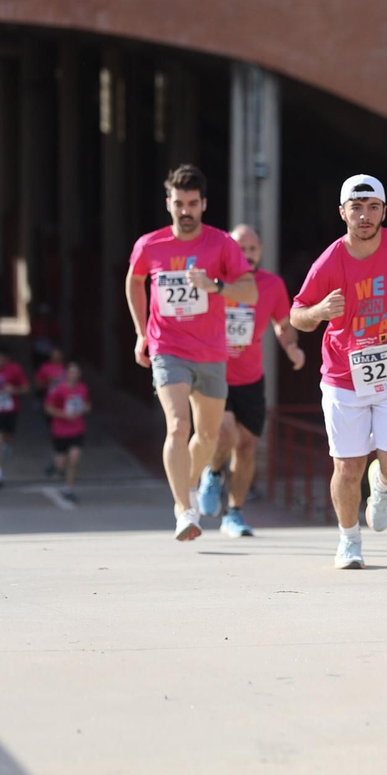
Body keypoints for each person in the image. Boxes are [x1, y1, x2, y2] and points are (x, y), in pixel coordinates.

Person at [291, 175, 387, 570]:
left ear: (384, 212)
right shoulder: (328, 262)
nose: (364, 216)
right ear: (343, 213)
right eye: (356, 208)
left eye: (373, 207)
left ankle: (384, 484)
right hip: (343, 377)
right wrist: (320, 312)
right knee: (346, 465)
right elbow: (297, 314)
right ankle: (348, 540)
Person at [126, 165, 257, 541]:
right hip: (168, 348)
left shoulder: (221, 245)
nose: (185, 210)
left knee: (209, 436)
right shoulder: (150, 245)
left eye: (192, 204)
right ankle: (184, 509)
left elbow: (249, 292)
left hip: (212, 352)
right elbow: (134, 281)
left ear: (203, 205)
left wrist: (214, 286)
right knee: (178, 426)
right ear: (169, 203)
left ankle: (189, 489)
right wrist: (140, 334)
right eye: (179, 203)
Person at [196, 224, 306, 538]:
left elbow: (283, 324)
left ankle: (234, 513)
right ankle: (214, 472)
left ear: (261, 252)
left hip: (251, 378)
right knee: (226, 434)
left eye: (253, 249)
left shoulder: (272, 285)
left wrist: (292, 347)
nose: (247, 255)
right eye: (240, 249)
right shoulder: (213, 282)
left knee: (246, 448)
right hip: (215, 374)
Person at [43, 361, 89, 503]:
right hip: (60, 430)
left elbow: (87, 404)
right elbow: (48, 408)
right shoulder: (58, 389)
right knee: (61, 465)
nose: (74, 375)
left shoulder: (82, 388)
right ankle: (55, 464)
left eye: (77, 372)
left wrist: (84, 409)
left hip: (77, 428)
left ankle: (68, 489)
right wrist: (63, 414)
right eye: (71, 372)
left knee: (74, 459)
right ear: (66, 374)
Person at [0, 343, 30, 490]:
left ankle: (6, 446)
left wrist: (14, 389)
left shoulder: (15, 369)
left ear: (7, 359)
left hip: (10, 410)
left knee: (6, 438)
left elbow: (26, 388)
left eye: (2, 359)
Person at [33, 349, 66, 480]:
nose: (56, 357)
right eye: (54, 355)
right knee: (55, 433)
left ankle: (59, 462)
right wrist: (49, 381)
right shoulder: (45, 368)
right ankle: (57, 460)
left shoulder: (68, 369)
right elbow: (38, 385)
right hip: (51, 405)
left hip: (66, 406)